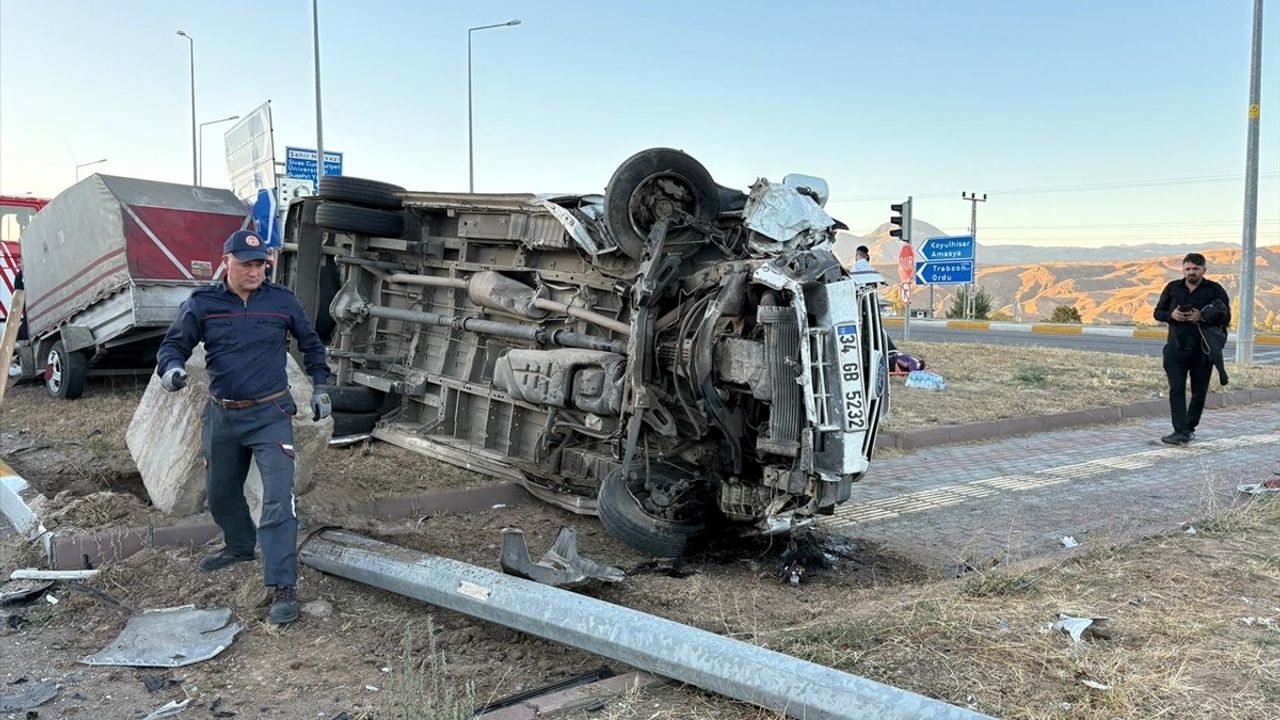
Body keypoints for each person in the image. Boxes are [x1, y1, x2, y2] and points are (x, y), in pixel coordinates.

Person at [155, 229, 332, 625]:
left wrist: (320, 386)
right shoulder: (203, 303)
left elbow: (312, 344)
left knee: (278, 499)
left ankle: (282, 586)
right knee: (219, 493)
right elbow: (173, 346)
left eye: (260, 265)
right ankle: (238, 546)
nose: (255, 272)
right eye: (247, 264)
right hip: (223, 415)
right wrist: (172, 370)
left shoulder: (281, 301)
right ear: (226, 262)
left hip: (271, 414)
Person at [1152, 252, 1230, 446]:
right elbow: (1157, 313)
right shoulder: (1172, 288)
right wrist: (1172, 314)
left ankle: (1189, 429)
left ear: (1204, 270)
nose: (1191, 272)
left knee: (1199, 393)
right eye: (1188, 268)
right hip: (1175, 349)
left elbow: (1226, 317)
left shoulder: (1214, 289)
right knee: (1176, 389)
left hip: (1202, 351)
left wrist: (1202, 317)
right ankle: (1179, 431)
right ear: (1183, 270)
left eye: (1195, 268)